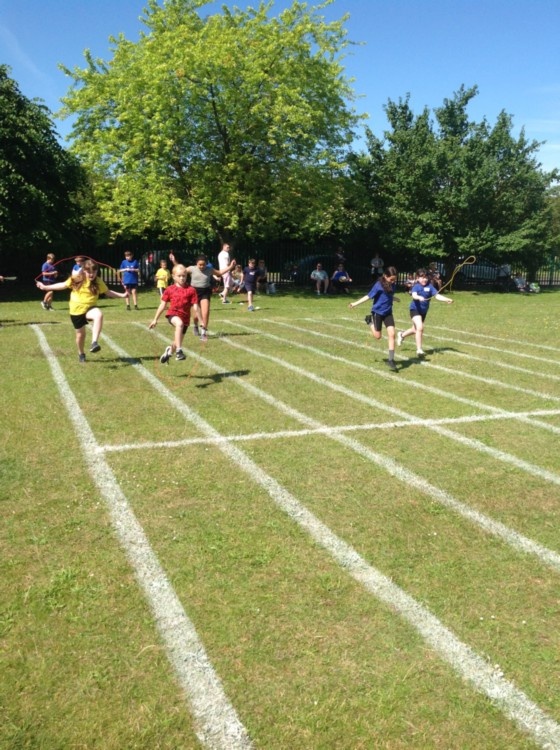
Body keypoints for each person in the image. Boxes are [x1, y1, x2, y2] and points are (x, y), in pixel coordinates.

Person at [36, 259, 129, 362]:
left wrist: (123, 295)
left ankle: (94, 342)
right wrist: (45, 287)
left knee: (98, 315)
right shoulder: (77, 278)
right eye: (89, 272)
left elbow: (108, 292)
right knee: (80, 335)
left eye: (94, 272)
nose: (91, 274)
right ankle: (81, 353)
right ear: (84, 271)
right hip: (76, 311)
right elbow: (63, 285)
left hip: (90, 308)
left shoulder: (98, 281)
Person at [349, 266, 399, 371]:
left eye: (395, 279)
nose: (393, 281)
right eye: (391, 279)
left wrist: (394, 298)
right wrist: (355, 303)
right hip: (378, 313)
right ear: (385, 276)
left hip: (388, 313)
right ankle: (369, 321)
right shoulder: (378, 285)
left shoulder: (393, 285)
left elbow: (388, 295)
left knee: (392, 334)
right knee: (377, 336)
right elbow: (368, 296)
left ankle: (391, 360)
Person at [397, 268, 453, 357]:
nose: (425, 279)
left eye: (426, 277)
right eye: (422, 277)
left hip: (423, 312)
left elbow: (437, 296)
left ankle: (401, 335)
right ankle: (419, 350)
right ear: (417, 278)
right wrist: (419, 297)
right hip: (415, 309)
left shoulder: (430, 286)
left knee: (415, 329)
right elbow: (414, 295)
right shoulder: (416, 286)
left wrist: (446, 299)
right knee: (420, 327)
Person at [149, 264, 199, 363]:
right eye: (179, 276)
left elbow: (195, 306)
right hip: (173, 314)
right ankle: (179, 352)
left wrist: (199, 319)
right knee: (179, 324)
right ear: (173, 276)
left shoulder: (191, 290)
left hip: (185, 318)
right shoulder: (170, 289)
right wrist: (155, 319)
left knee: (177, 340)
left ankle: (169, 351)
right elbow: (162, 305)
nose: (182, 278)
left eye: (184, 276)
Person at [187, 254, 235, 341]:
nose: (202, 266)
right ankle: (195, 325)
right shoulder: (192, 268)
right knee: (196, 316)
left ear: (206, 264)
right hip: (194, 292)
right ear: (196, 263)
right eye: (200, 265)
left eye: (203, 264)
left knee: (205, 313)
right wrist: (174, 261)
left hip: (205, 292)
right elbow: (180, 270)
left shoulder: (209, 269)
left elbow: (219, 272)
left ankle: (203, 333)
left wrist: (230, 267)